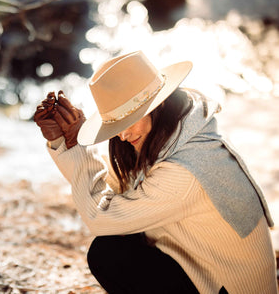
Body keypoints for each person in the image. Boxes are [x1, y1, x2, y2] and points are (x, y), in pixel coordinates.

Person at [34, 51, 278, 294]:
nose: (122, 134)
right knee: (122, 243)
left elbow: (102, 218)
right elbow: (122, 189)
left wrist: (76, 146)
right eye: (116, 124)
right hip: (205, 274)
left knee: (109, 254)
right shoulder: (184, 134)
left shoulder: (185, 170)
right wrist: (67, 142)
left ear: (158, 104)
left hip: (224, 288)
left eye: (128, 121)